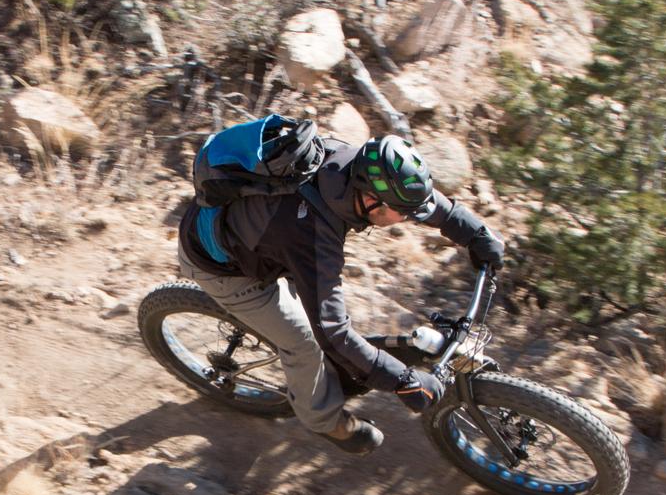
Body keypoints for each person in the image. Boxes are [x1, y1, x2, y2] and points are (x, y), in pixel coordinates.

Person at [177, 131, 505, 455]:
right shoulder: (313, 234)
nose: (407, 219)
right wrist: (403, 380)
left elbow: (418, 201)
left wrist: (474, 232)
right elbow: (333, 333)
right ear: (369, 199)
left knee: (329, 320)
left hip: (261, 236)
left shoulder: (350, 163)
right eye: (400, 213)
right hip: (223, 269)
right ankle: (325, 421)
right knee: (305, 342)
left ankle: (343, 373)